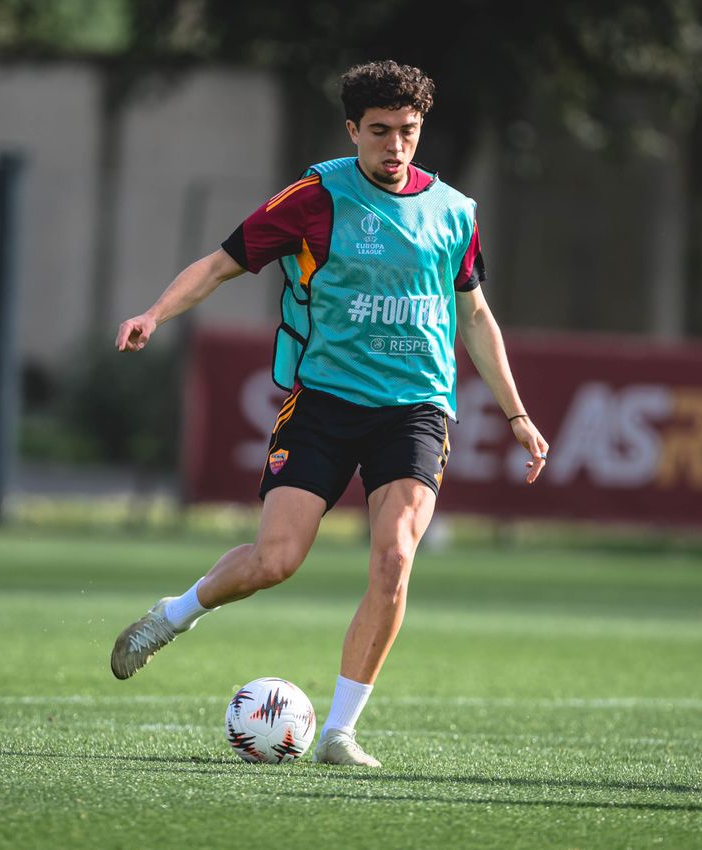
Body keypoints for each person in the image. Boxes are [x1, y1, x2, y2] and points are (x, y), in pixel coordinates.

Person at [108, 60, 549, 767]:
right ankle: (175, 614)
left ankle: (341, 732)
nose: (395, 146)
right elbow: (222, 263)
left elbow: (475, 317)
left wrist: (518, 415)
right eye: (379, 132)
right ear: (353, 131)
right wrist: (155, 313)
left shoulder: (455, 213)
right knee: (276, 560)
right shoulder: (315, 198)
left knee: (395, 557)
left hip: (416, 408)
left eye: (408, 131)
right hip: (325, 400)